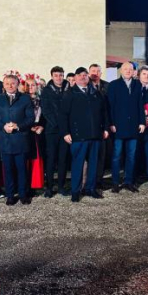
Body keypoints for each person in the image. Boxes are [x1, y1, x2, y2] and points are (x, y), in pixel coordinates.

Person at [59, 67, 109, 202]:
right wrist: (65, 132)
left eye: (85, 75)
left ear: (88, 77)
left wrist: (105, 128)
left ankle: (91, 189)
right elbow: (63, 115)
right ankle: (75, 191)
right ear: (75, 78)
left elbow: (104, 113)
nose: (82, 77)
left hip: (95, 135)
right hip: (78, 136)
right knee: (77, 164)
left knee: (94, 164)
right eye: (79, 75)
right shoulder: (69, 94)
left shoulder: (97, 93)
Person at [0, 74, 34, 205]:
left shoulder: (25, 99)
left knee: (21, 169)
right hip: (5, 140)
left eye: (13, 83)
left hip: (20, 139)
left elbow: (30, 118)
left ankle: (23, 194)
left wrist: (18, 126)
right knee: (8, 169)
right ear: (3, 85)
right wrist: (3, 126)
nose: (10, 85)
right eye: (7, 83)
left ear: (17, 84)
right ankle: (10, 195)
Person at [107, 62, 146, 193]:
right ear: (121, 71)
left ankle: (129, 181)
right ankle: (115, 183)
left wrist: (142, 122)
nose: (128, 71)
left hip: (134, 126)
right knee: (117, 155)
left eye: (130, 69)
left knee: (131, 155)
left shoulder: (138, 84)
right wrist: (111, 123)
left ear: (134, 71)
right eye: (125, 69)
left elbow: (141, 105)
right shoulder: (113, 85)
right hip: (118, 127)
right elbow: (110, 107)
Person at [40, 66, 70, 198]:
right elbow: (46, 111)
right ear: (52, 76)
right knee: (51, 159)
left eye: (61, 75)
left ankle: (62, 186)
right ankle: (49, 187)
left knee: (63, 159)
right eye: (56, 75)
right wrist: (58, 125)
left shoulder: (68, 89)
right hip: (52, 130)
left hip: (65, 132)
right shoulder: (46, 91)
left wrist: (65, 128)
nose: (59, 78)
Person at [24, 74, 46, 193]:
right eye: (27, 85)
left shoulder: (41, 99)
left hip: (38, 131)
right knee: (26, 159)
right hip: (26, 131)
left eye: (33, 85)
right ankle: (26, 185)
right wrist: (29, 127)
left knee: (37, 158)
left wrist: (41, 125)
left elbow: (45, 115)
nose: (30, 87)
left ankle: (35, 184)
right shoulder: (21, 99)